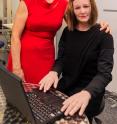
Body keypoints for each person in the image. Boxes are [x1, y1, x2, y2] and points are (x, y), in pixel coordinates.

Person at [39, 0, 114, 123]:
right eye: (77, 8)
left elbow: (104, 74)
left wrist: (87, 93)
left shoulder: (104, 35)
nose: (82, 11)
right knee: (45, 108)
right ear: (72, 10)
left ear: (92, 7)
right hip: (67, 87)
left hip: (90, 91)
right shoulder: (67, 32)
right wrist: (54, 72)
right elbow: (61, 60)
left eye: (86, 6)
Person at [7, 0, 111, 85]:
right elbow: (15, 36)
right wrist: (17, 68)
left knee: (43, 92)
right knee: (18, 94)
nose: (82, 9)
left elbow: (80, 20)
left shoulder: (64, 4)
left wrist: (99, 25)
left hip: (46, 56)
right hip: (23, 55)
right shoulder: (26, 2)